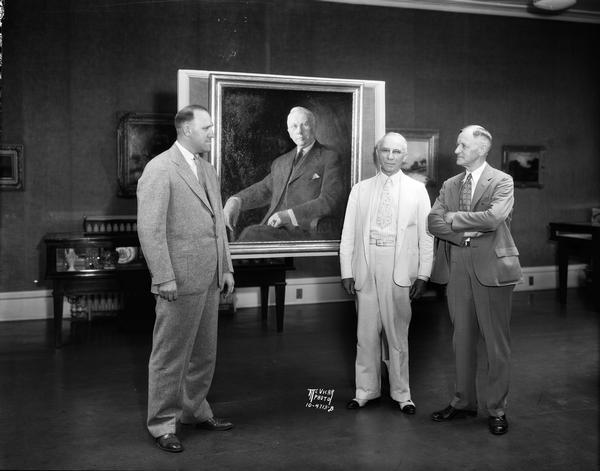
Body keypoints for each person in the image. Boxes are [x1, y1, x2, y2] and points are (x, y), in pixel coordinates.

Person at [137, 104, 235, 453]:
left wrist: (226, 268)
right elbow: (149, 229)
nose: (212, 133)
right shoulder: (160, 169)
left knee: (203, 354)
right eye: (207, 127)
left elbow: (218, 228)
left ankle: (195, 411)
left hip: (208, 278)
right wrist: (163, 277)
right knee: (169, 356)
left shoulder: (207, 170)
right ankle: (162, 424)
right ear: (186, 130)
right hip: (176, 281)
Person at [428, 125, 522, 435]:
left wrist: (453, 218)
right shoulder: (450, 184)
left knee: (496, 344)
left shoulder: (502, 181)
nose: (456, 150)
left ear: (481, 149)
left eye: (462, 145)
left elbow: (494, 218)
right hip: (457, 264)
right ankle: (463, 402)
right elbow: (432, 221)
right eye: (457, 145)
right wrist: (458, 231)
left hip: (492, 268)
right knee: (461, 339)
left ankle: (496, 409)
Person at [339, 132, 433, 414]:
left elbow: (427, 237)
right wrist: (346, 270)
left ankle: (402, 394)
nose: (390, 157)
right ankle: (365, 390)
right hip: (366, 265)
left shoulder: (418, 191)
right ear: (376, 154)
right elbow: (348, 235)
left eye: (396, 152)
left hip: (400, 267)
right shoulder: (360, 189)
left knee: (397, 335)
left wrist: (424, 275)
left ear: (404, 157)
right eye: (385, 151)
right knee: (365, 334)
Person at [223, 106, 345, 241]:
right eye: (294, 126)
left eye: (304, 124)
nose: (299, 131)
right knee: (246, 236)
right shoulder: (281, 162)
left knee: (251, 234)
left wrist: (289, 215)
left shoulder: (330, 157)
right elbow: (264, 189)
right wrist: (236, 200)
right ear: (288, 131)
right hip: (273, 228)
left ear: (313, 126)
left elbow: (330, 201)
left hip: (306, 231)